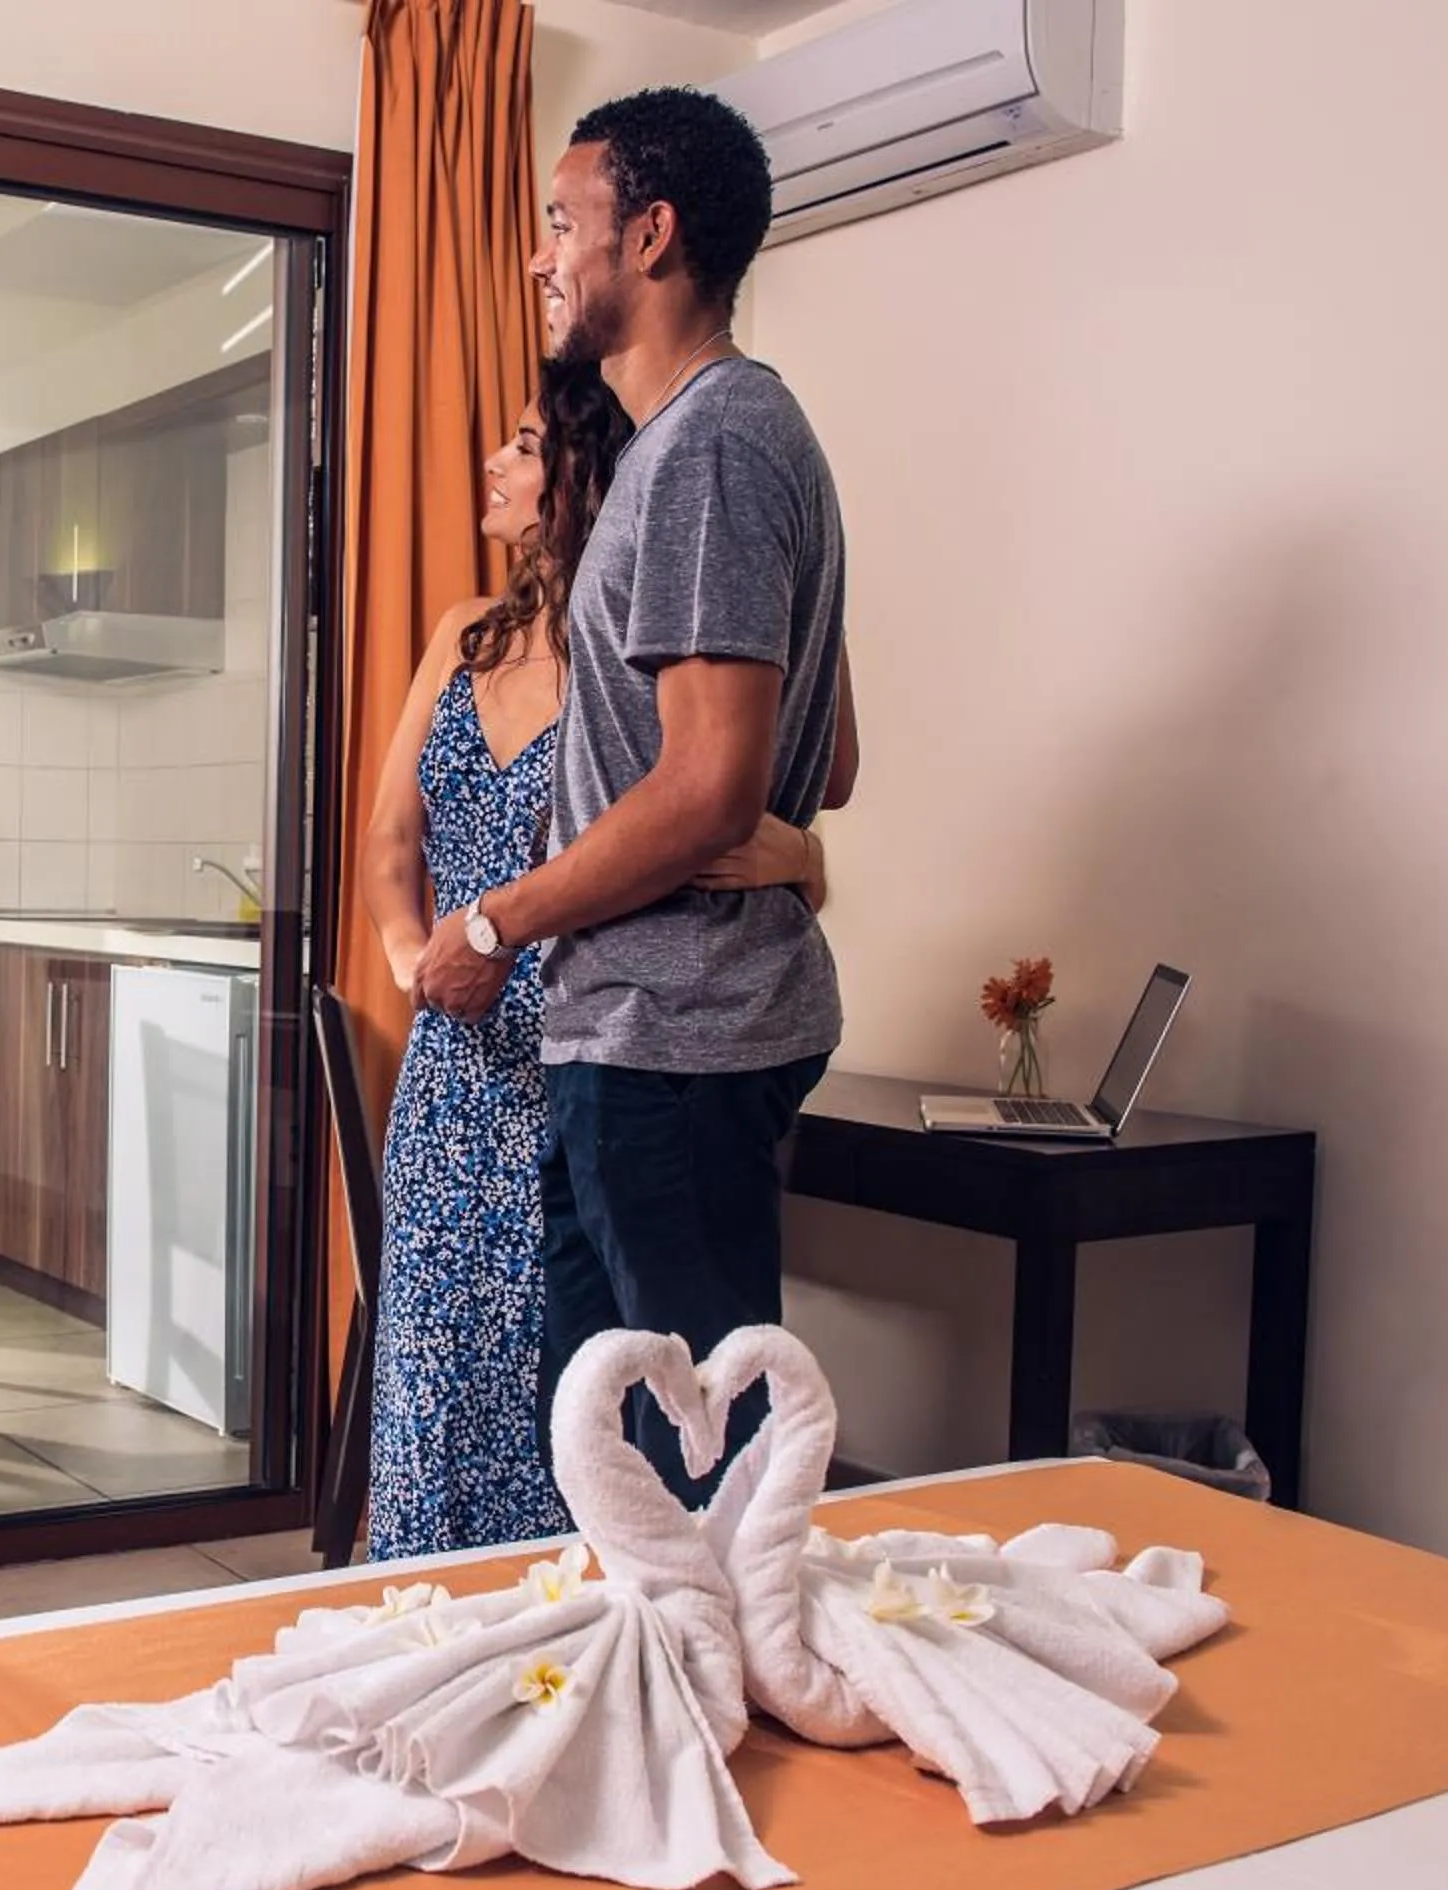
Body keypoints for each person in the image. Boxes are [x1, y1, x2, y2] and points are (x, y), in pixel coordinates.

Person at [410, 87, 858, 1505]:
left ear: (650, 235)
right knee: (608, 1462)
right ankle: (626, 1713)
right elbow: (819, 760)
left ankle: (721, 1717)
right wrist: (768, 828)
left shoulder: (716, 443)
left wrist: (489, 926)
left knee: (693, 1472)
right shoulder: (690, 448)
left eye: (562, 223)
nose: (543, 256)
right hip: (637, 1026)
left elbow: (715, 778)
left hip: (677, 1032)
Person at [356, 360, 825, 1560]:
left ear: (586, 475)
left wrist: (796, 859)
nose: (497, 466)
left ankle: (579, 1611)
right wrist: (422, 960)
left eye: (523, 445)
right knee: (448, 1364)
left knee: (570, 1379)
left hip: (589, 1037)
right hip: (462, 1058)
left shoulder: (638, 661)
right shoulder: (463, 635)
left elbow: (742, 802)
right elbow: (389, 840)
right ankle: (431, 1608)